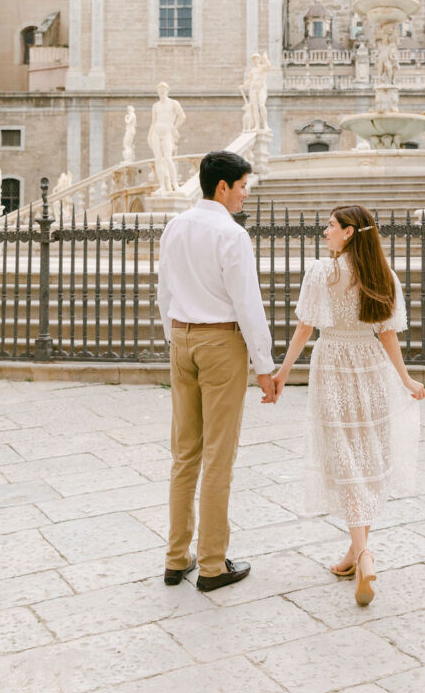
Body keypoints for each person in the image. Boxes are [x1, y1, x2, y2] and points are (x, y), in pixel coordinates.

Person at [274, 204, 425, 606]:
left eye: (330, 226)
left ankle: (363, 554)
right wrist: (405, 379)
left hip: (333, 365)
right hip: (371, 366)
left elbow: (305, 328)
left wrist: (284, 371)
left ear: (349, 232)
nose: (324, 232)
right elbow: (388, 336)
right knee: (366, 457)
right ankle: (353, 554)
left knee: (344, 458)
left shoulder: (322, 273)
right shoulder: (383, 275)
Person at [157, 150, 277, 592]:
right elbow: (248, 303)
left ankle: (175, 557)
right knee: (218, 456)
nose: (246, 195)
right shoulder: (231, 234)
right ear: (222, 187)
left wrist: (176, 338)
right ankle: (211, 564)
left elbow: (164, 290)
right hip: (221, 342)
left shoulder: (176, 226)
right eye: (243, 187)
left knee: (184, 453)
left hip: (183, 339)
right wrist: (264, 366)